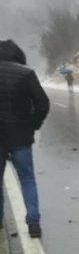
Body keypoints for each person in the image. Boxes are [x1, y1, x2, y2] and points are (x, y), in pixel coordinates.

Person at [0, 40, 50, 238]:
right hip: (21, 137)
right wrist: (33, 125)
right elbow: (42, 104)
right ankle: (33, 223)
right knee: (27, 179)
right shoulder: (26, 74)